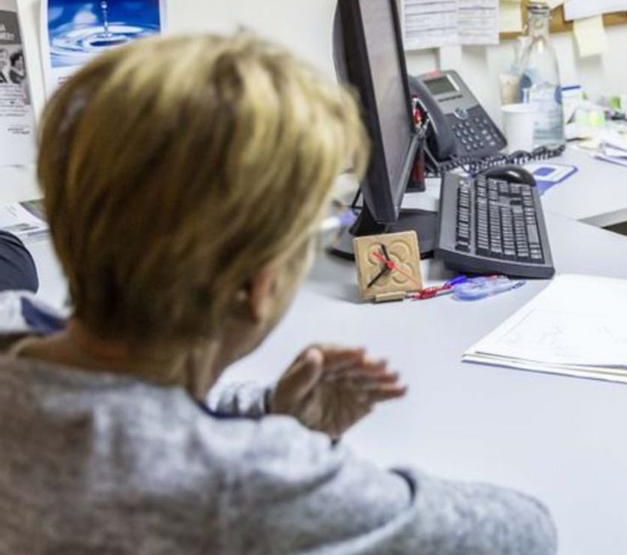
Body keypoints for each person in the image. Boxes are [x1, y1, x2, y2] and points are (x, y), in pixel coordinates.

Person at [0, 34, 556, 553]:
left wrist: (264, 409)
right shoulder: (242, 479)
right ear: (258, 286)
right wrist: (298, 459)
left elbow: (122, 410)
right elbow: (523, 531)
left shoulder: (13, 329)